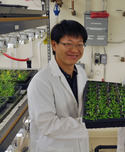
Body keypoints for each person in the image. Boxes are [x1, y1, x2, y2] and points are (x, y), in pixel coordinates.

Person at [27, 20, 89, 152]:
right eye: (68, 44)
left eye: (80, 45)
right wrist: (88, 124)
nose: (75, 50)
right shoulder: (41, 82)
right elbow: (48, 125)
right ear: (54, 45)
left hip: (79, 145)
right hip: (54, 147)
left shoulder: (81, 72)